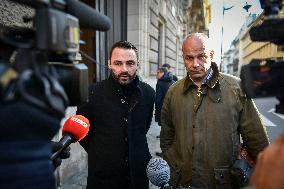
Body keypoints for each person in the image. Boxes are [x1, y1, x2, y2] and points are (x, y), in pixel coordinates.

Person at [160, 33, 269, 188]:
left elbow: (256, 138)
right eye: (189, 58)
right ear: (183, 58)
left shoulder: (236, 88)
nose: (195, 64)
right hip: (182, 180)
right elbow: (166, 136)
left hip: (223, 182)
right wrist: (174, 164)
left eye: (201, 56)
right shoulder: (173, 92)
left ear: (211, 55)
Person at [76, 41, 155, 189]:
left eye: (130, 63)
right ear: (109, 64)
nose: (124, 69)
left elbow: (144, 127)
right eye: (118, 63)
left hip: (137, 178)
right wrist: (104, 154)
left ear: (138, 64)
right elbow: (83, 135)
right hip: (103, 179)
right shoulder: (91, 94)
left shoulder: (149, 93)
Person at [155, 67, 175, 157]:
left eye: (158, 72)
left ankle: (165, 153)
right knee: (170, 132)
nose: (156, 75)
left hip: (164, 111)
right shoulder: (172, 81)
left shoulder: (160, 83)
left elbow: (158, 100)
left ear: (163, 73)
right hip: (172, 111)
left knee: (165, 134)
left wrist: (157, 112)